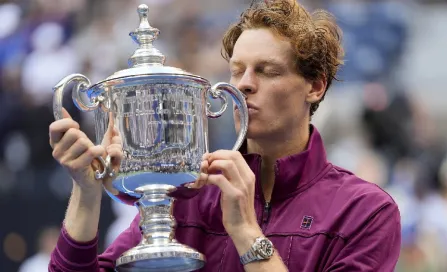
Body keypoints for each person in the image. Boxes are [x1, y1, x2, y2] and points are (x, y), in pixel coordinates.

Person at [48, 0, 401, 271]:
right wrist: (86, 190)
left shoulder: (365, 212)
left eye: (267, 71)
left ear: (315, 85)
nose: (244, 84)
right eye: (237, 71)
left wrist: (246, 231)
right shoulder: (188, 200)